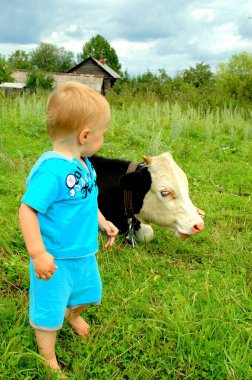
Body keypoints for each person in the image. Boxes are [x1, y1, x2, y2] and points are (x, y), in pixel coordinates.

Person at [19, 82, 119, 374]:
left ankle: (73, 315)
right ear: (84, 135)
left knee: (88, 294)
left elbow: (87, 201)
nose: (103, 140)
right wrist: (38, 253)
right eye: (102, 135)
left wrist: (103, 223)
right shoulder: (51, 171)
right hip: (56, 260)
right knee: (49, 310)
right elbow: (27, 210)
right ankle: (48, 357)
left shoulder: (84, 164)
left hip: (84, 253)